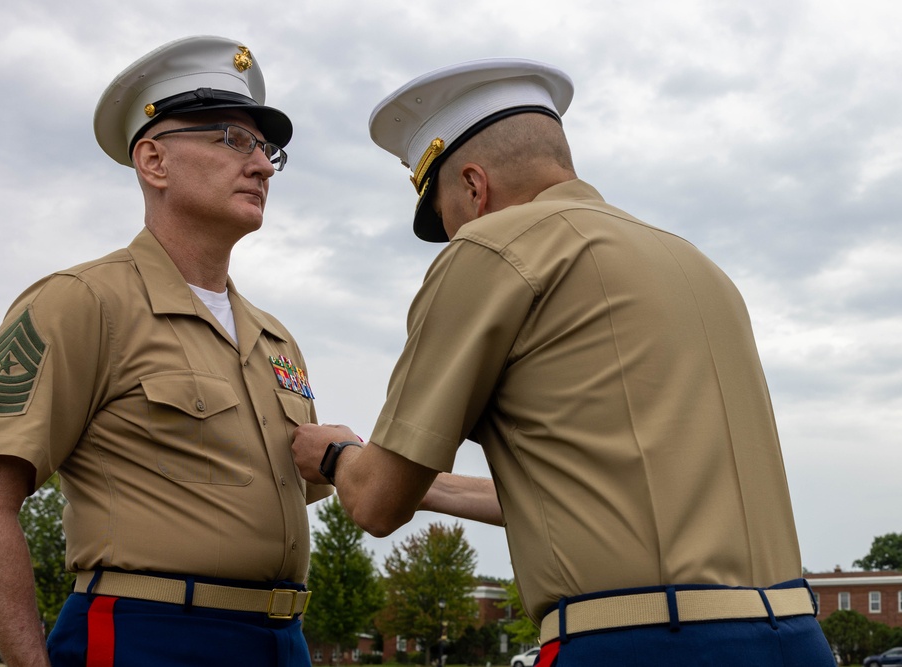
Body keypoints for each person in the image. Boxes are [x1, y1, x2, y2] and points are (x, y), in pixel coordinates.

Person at [291, 59, 836, 666]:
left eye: (444, 215)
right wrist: (430, 487)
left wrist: (338, 457)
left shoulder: (493, 249)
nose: (452, 235)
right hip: (795, 635)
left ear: (473, 187)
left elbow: (376, 504)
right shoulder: (697, 266)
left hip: (643, 644)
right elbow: (588, 496)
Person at [0, 36, 329, 667]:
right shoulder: (81, 302)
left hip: (284, 641)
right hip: (149, 635)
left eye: (266, 149)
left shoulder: (275, 338)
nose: (259, 165)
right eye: (232, 139)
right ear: (154, 161)